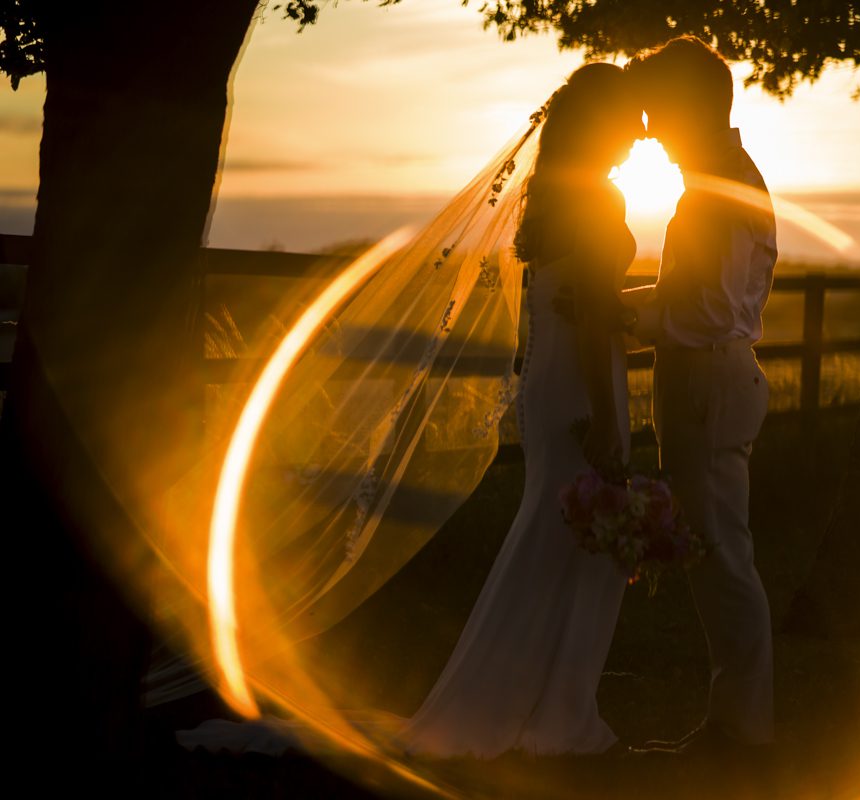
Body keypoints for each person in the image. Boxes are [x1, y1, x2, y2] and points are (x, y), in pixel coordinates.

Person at [176, 61, 645, 761]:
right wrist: (607, 414)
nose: (639, 136)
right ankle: (556, 717)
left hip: (551, 384)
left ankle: (541, 707)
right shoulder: (598, 201)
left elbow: (575, 304)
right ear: (601, 122)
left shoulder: (554, 195)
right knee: (576, 545)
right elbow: (592, 316)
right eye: (630, 121)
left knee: (552, 540)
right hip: (582, 385)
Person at [619, 36, 778, 755]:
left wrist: (616, 317)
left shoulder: (719, 190)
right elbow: (694, 299)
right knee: (715, 555)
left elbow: (710, 314)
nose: (650, 129)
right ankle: (734, 722)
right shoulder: (714, 181)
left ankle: (742, 732)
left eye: (659, 111)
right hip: (705, 377)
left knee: (722, 559)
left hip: (708, 379)